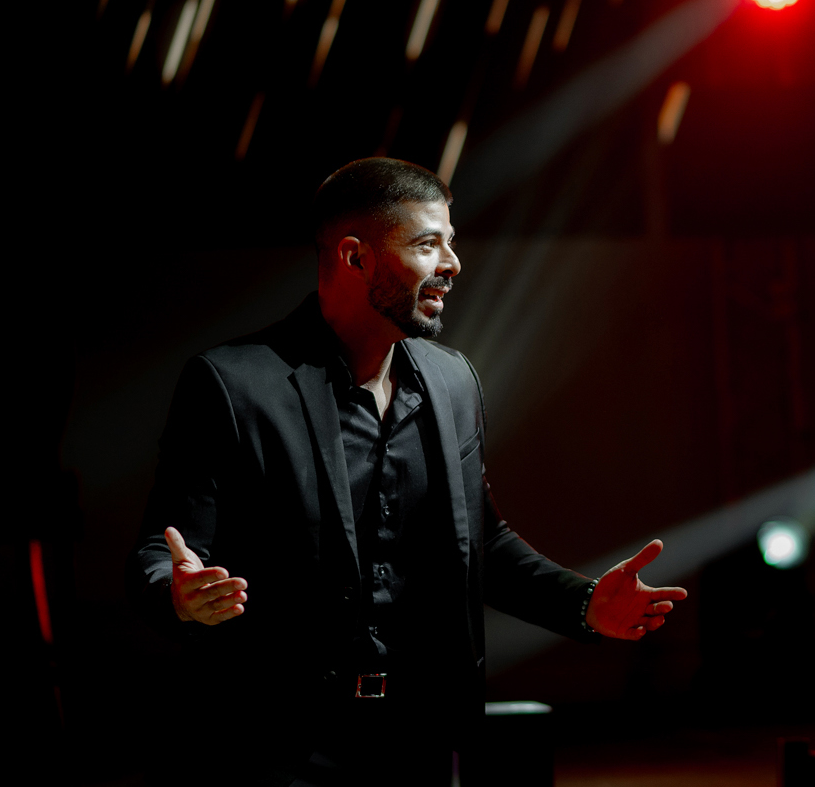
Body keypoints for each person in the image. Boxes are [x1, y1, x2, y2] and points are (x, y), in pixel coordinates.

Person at [126, 158, 686, 786]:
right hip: (281, 746)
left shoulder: (451, 380)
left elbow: (482, 543)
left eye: (451, 241)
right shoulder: (234, 384)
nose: (452, 263)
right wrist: (179, 596)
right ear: (355, 257)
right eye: (427, 244)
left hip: (421, 737)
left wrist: (583, 603)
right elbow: (161, 550)